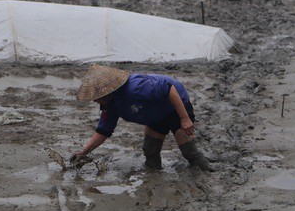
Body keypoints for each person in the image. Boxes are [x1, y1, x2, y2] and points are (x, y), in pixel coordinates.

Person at [71, 64, 213, 171]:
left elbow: (169, 88)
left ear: (106, 92)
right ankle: (154, 177)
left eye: (96, 97)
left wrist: (184, 118)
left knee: (188, 151)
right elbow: (103, 131)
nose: (95, 101)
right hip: (154, 115)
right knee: (150, 150)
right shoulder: (110, 105)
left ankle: (207, 174)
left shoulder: (136, 88)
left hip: (175, 107)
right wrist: (84, 152)